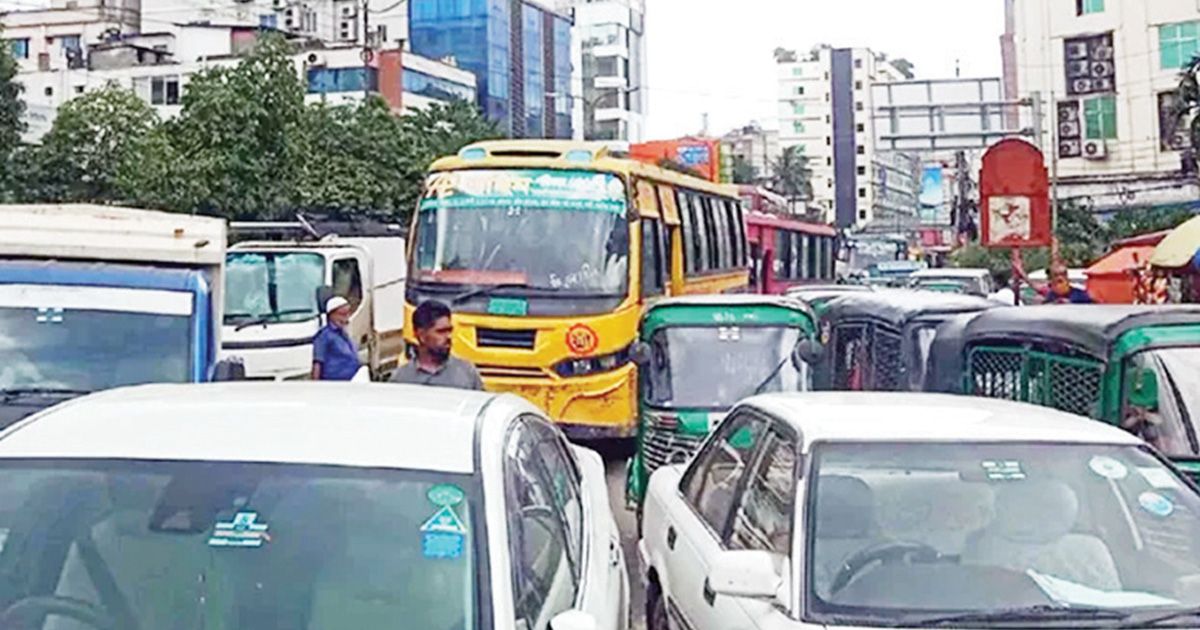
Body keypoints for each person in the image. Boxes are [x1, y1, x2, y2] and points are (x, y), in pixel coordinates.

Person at [390, 300, 484, 390]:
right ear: (421, 335)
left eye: (449, 330)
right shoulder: (402, 379)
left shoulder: (467, 373)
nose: (449, 337)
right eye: (441, 332)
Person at [1012, 249, 1093, 304]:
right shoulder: (1049, 294)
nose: (1060, 278)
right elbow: (1033, 285)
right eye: (1056, 276)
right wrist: (1020, 270)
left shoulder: (1080, 295)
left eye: (1063, 274)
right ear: (1050, 279)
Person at [312, 296, 361, 381]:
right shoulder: (324, 336)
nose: (346, 318)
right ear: (331, 315)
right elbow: (317, 363)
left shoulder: (344, 334)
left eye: (347, 314)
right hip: (334, 385)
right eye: (342, 314)